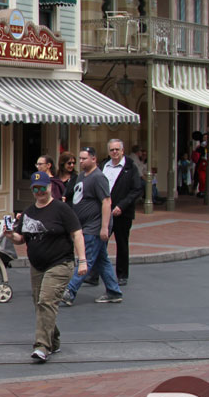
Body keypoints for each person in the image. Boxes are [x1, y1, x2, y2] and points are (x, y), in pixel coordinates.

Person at [8, 171, 87, 362]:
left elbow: (77, 234)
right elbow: (21, 238)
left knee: (46, 301)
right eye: (35, 189)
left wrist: (82, 260)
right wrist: (11, 235)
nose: (39, 192)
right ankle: (54, 340)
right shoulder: (28, 212)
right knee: (40, 305)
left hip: (60, 263)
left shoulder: (61, 209)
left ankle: (42, 346)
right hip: (37, 266)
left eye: (42, 188)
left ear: (50, 187)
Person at [60, 147, 122, 306]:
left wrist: (104, 227)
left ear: (93, 159)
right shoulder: (82, 176)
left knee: (85, 258)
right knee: (102, 260)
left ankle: (70, 291)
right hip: (83, 225)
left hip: (93, 227)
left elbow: (106, 202)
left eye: (83, 159)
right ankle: (114, 291)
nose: (80, 162)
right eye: (79, 159)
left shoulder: (98, 177)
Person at [89, 139, 143, 287]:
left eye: (117, 149)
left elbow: (136, 189)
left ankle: (122, 275)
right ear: (108, 151)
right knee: (99, 243)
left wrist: (122, 206)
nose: (114, 152)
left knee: (122, 244)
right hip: (103, 212)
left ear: (122, 151)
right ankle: (94, 275)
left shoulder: (130, 167)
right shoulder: (102, 166)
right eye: (112, 150)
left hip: (122, 213)